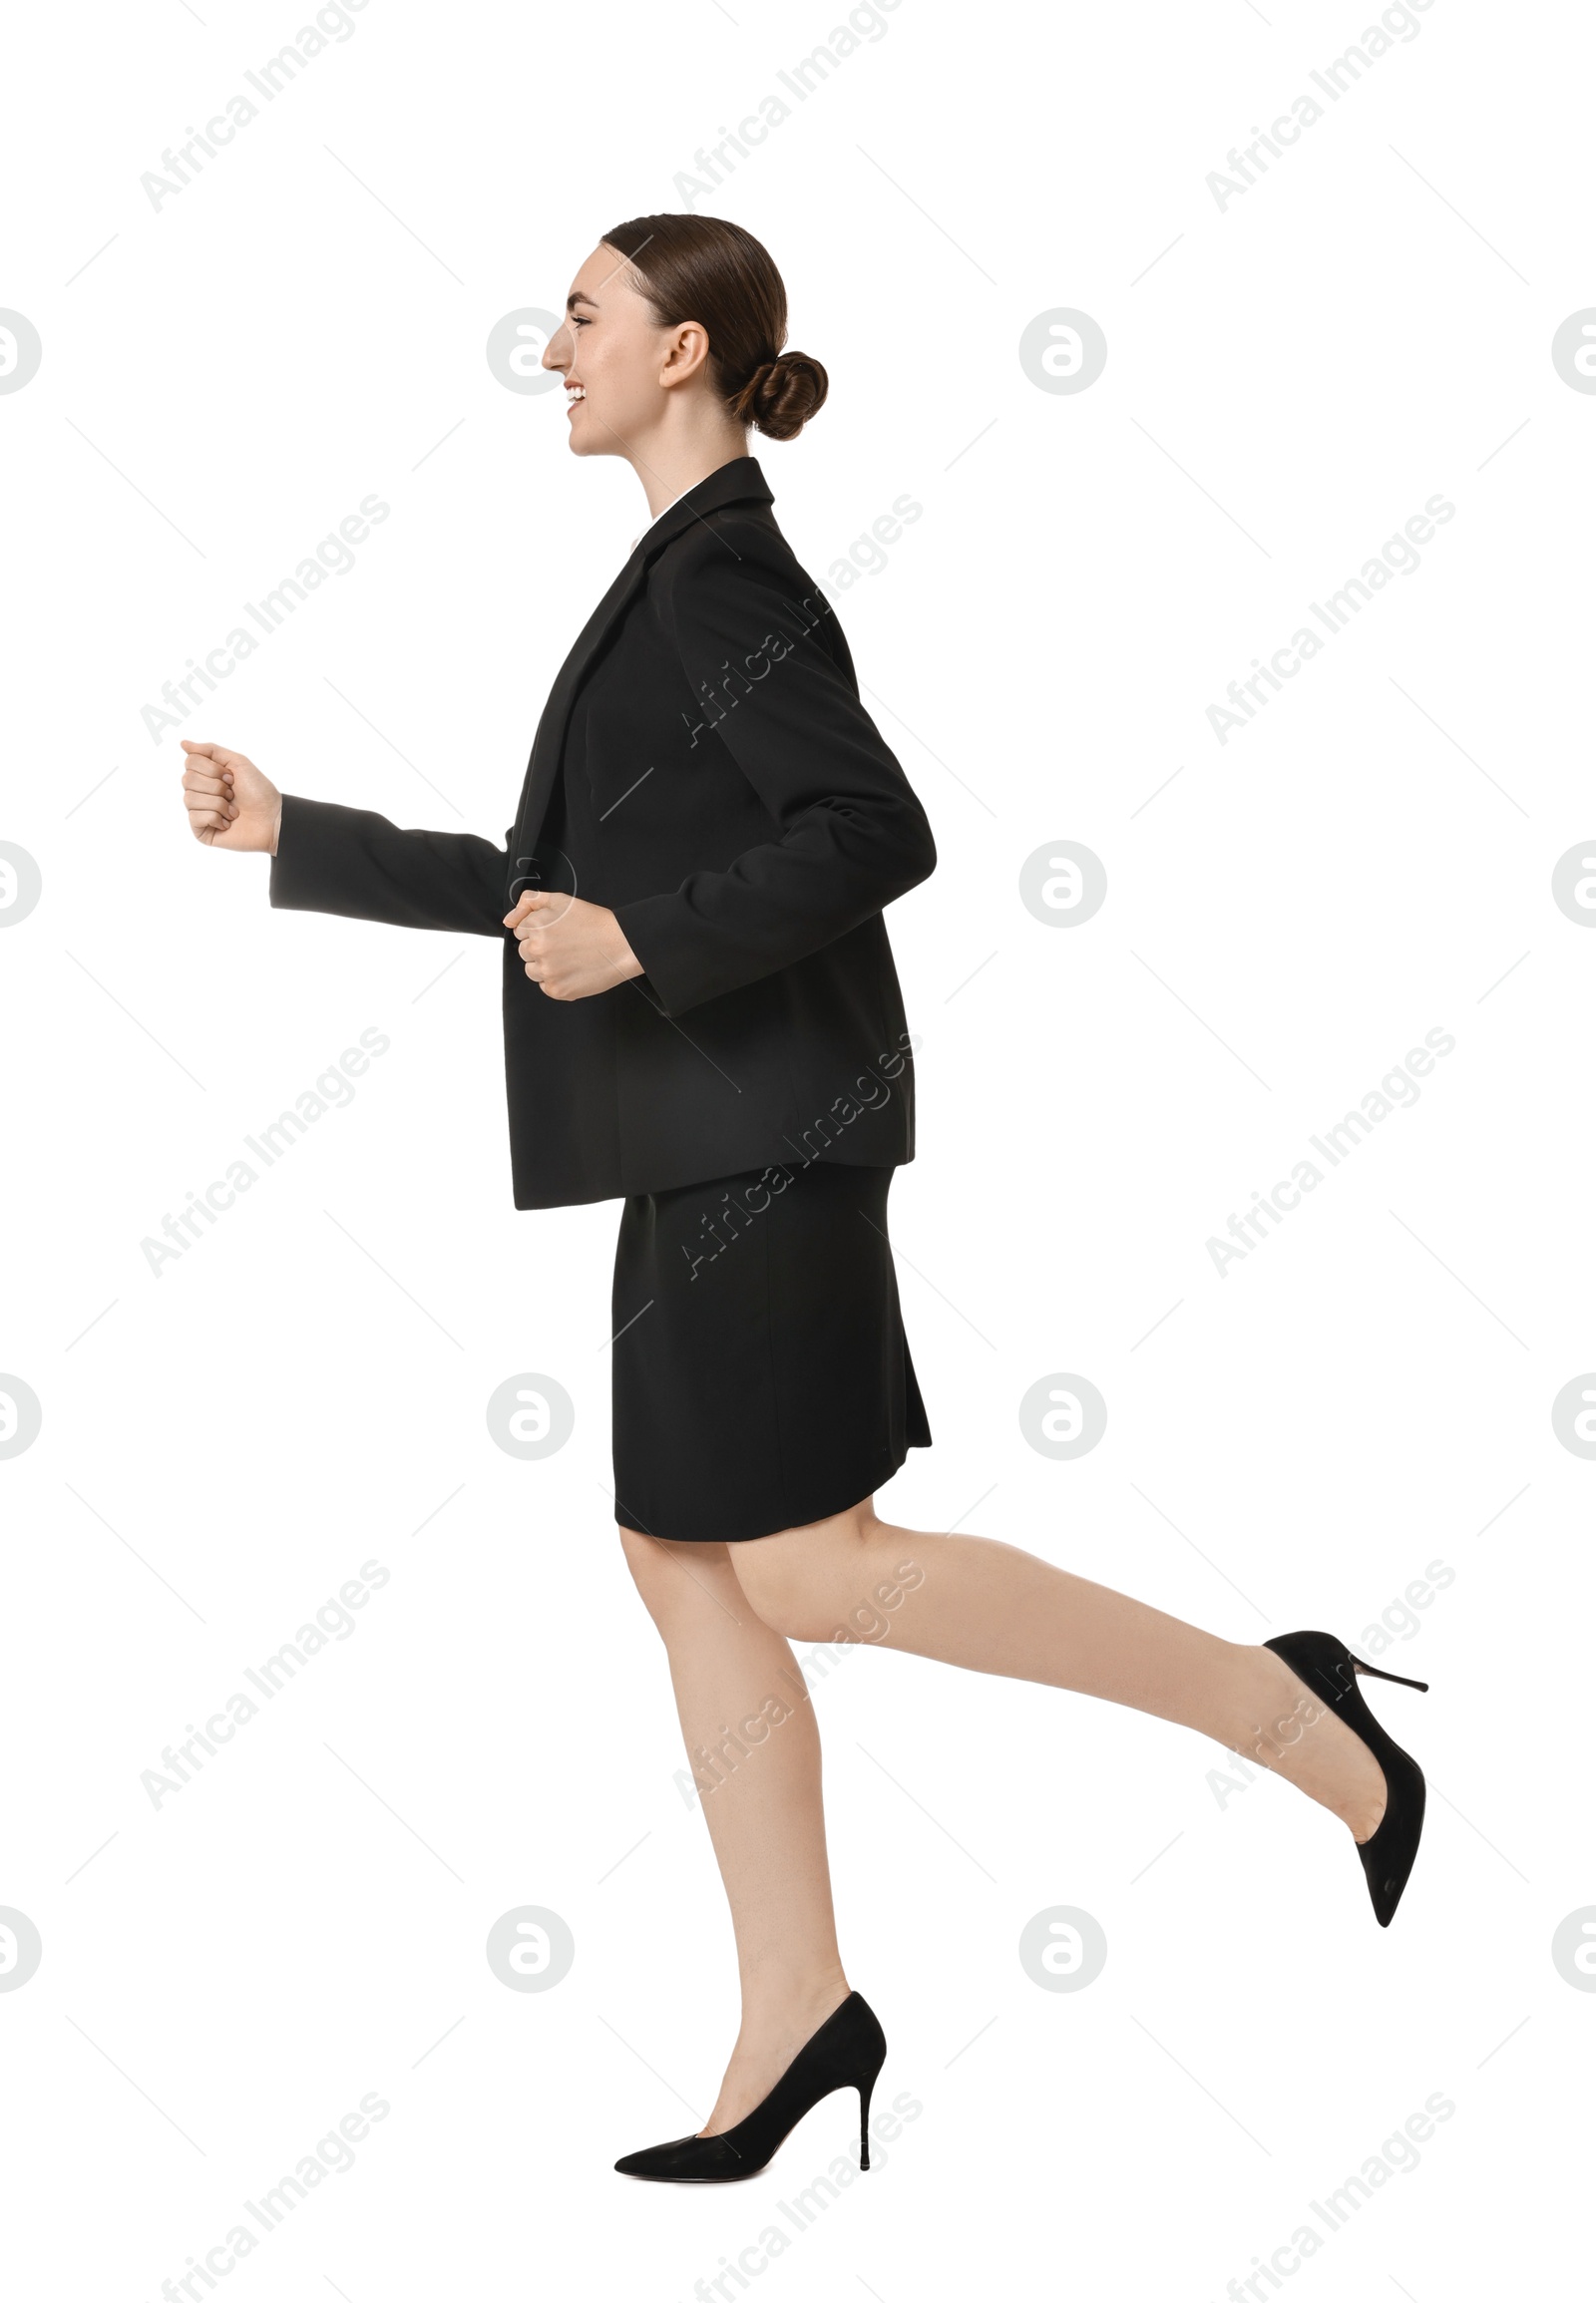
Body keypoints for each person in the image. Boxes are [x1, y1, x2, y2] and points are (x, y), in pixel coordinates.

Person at [179, 212, 1429, 2186]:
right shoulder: (671, 574)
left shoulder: (725, 570)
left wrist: (650, 943)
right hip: (700, 1139)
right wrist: (299, 834)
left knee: (808, 1567)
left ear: (682, 352)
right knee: (683, 1563)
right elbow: (539, 876)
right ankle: (795, 2011)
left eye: (582, 315)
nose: (550, 346)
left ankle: (1294, 1722)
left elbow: (875, 831)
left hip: (761, 1131)